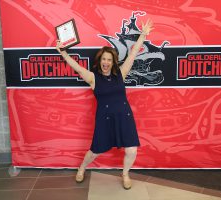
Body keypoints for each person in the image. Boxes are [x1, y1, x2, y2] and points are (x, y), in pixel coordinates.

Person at [56, 19, 153, 190]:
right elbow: (77, 68)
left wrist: (143, 35)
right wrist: (63, 53)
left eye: (109, 59)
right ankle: (82, 168)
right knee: (95, 151)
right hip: (104, 118)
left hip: (124, 116)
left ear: (113, 61)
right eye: (103, 59)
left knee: (131, 150)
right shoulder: (93, 78)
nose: (106, 62)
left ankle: (125, 174)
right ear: (99, 61)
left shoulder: (120, 74)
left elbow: (132, 53)